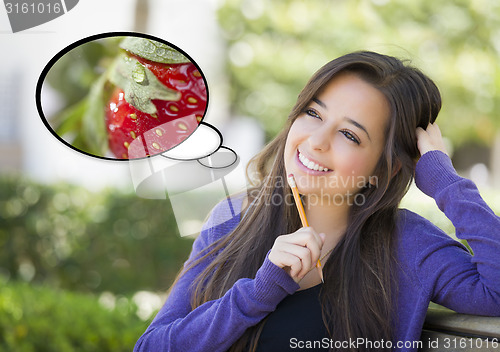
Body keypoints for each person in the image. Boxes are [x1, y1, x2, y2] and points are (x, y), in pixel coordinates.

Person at [133, 51, 500, 352]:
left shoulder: (407, 244)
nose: (316, 141)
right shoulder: (232, 217)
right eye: (313, 113)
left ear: (387, 169)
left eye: (348, 134)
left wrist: (445, 182)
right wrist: (258, 293)